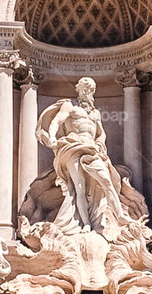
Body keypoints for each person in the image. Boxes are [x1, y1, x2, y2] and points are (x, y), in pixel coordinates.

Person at [35, 77, 130, 239]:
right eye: (85, 89)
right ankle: (85, 223)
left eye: (91, 90)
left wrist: (100, 142)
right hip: (73, 146)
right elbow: (56, 122)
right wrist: (51, 136)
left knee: (106, 181)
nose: (88, 92)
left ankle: (119, 215)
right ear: (78, 90)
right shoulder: (70, 106)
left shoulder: (95, 113)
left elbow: (101, 133)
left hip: (92, 149)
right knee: (79, 187)